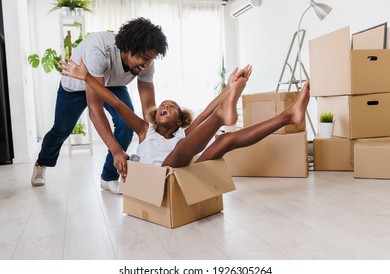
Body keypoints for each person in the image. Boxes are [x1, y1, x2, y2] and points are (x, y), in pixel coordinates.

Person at [60, 58, 310, 179]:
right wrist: (87, 79)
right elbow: (114, 102)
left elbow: (205, 111)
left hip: (185, 174)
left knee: (226, 140)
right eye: (162, 106)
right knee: (185, 147)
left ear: (180, 120)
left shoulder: (184, 134)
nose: (165, 106)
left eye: (172, 106)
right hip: (158, 179)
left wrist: (230, 86)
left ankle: (288, 116)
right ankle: (223, 116)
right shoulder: (145, 130)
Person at [31, 17, 168, 194]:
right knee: (62, 129)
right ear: (129, 48)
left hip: (113, 85)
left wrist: (154, 138)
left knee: (126, 124)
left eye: (151, 59)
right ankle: (42, 162)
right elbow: (95, 109)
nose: (147, 64)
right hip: (75, 86)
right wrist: (117, 151)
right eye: (144, 58)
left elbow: (149, 109)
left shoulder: (147, 63)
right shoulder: (100, 49)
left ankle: (109, 177)